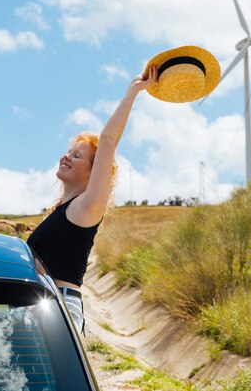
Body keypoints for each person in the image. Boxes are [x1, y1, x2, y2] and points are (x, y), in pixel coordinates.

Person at [27, 65, 158, 333]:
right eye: (68, 151)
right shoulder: (61, 211)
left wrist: (133, 92)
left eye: (77, 156)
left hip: (59, 304)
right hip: (42, 303)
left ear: (93, 173)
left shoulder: (85, 209)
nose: (66, 156)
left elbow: (108, 141)